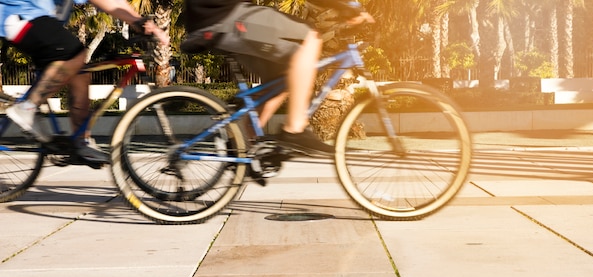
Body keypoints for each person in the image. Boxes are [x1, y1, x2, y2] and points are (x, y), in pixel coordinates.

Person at [182, 0, 374, 154]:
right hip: (224, 18)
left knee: (285, 76)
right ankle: (295, 129)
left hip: (217, 16)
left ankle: (246, 146)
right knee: (310, 36)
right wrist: (344, 6)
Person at [1, 0, 169, 163]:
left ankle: (80, 142)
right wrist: (137, 22)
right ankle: (27, 108)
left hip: (33, 18)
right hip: (20, 15)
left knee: (80, 72)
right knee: (75, 54)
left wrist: (139, 21)